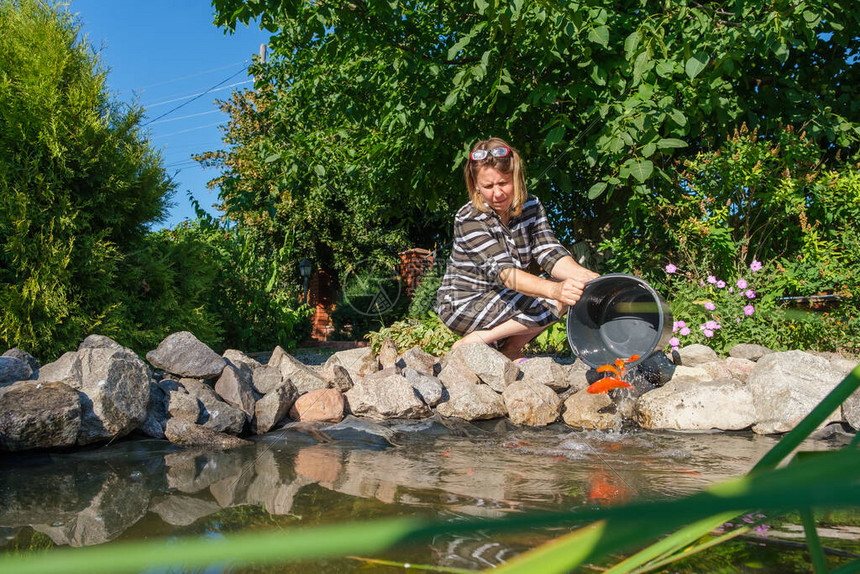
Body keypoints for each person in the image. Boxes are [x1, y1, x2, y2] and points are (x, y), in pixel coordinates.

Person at [435, 137, 599, 361]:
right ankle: (477, 341)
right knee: (556, 296)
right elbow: (507, 275)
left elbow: (549, 251)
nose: (497, 193)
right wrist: (555, 290)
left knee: (572, 292)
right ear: (475, 185)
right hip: (463, 303)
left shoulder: (532, 206)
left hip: (503, 296)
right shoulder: (469, 218)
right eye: (488, 186)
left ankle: (508, 351)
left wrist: (591, 279)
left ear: (517, 177)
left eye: (503, 183)